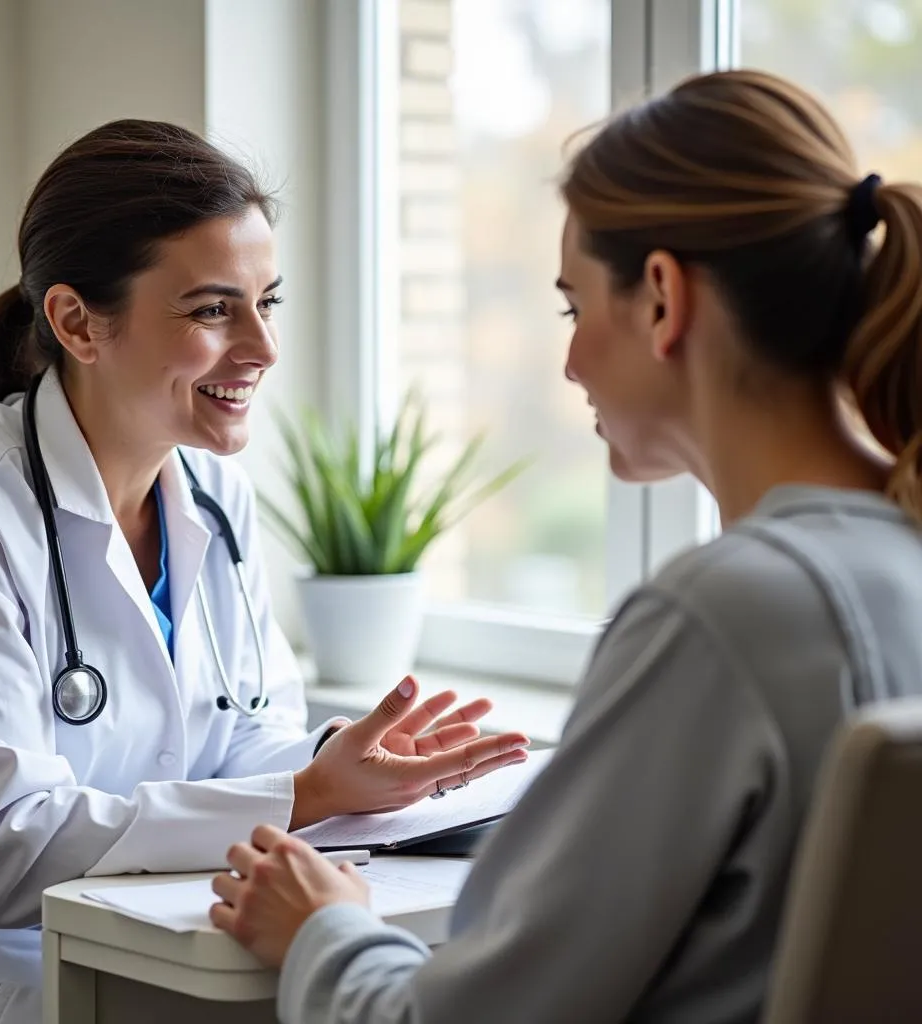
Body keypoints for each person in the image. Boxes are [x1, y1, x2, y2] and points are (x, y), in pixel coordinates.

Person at [209, 68, 922, 1023]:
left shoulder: (723, 620)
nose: (572, 361)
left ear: (664, 299)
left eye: (573, 307)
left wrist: (324, 932)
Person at [0, 119, 530, 1024]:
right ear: (78, 322)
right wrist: (304, 795)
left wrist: (336, 761)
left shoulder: (214, 492)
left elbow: (239, 739)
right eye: (210, 310)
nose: (263, 348)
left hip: (158, 911)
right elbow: (4, 853)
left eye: (266, 302)